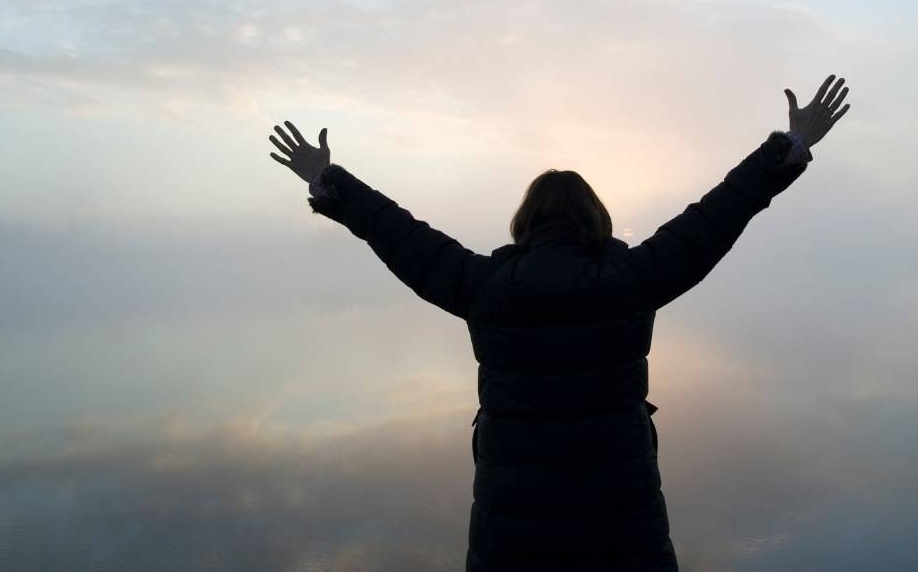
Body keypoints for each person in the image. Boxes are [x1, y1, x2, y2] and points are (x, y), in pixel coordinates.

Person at [268, 75, 850, 571]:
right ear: (596, 217)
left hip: (512, 532)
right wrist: (792, 144)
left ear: (524, 221)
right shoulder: (629, 281)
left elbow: (400, 235)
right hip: (624, 527)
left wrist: (330, 183)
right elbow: (717, 215)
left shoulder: (485, 288)